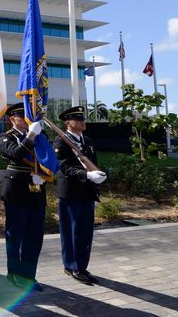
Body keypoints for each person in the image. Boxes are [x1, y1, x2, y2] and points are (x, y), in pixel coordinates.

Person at [54, 106, 107, 286]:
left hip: (87, 192)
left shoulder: (88, 141)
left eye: (82, 118)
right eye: (77, 119)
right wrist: (86, 175)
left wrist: (99, 174)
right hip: (71, 192)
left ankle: (82, 266)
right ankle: (71, 266)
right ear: (68, 123)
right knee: (72, 231)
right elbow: (63, 167)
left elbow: (93, 163)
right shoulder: (61, 141)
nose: (82, 121)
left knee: (85, 233)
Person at [0, 102, 46, 292]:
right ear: (12, 119)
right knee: (15, 236)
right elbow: (15, 154)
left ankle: (28, 276)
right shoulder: (6, 137)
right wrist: (31, 136)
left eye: (28, 116)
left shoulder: (40, 136)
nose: (26, 120)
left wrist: (44, 175)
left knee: (34, 237)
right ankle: (14, 274)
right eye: (22, 116)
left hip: (36, 190)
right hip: (17, 191)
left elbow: (48, 158)